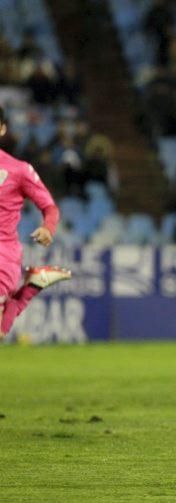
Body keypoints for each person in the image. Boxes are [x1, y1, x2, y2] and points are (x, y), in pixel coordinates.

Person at [0, 106, 71, 341]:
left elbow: (50, 207)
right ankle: (32, 286)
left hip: (3, 254)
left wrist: (47, 228)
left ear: (2, 129)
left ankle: (28, 290)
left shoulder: (19, 170)